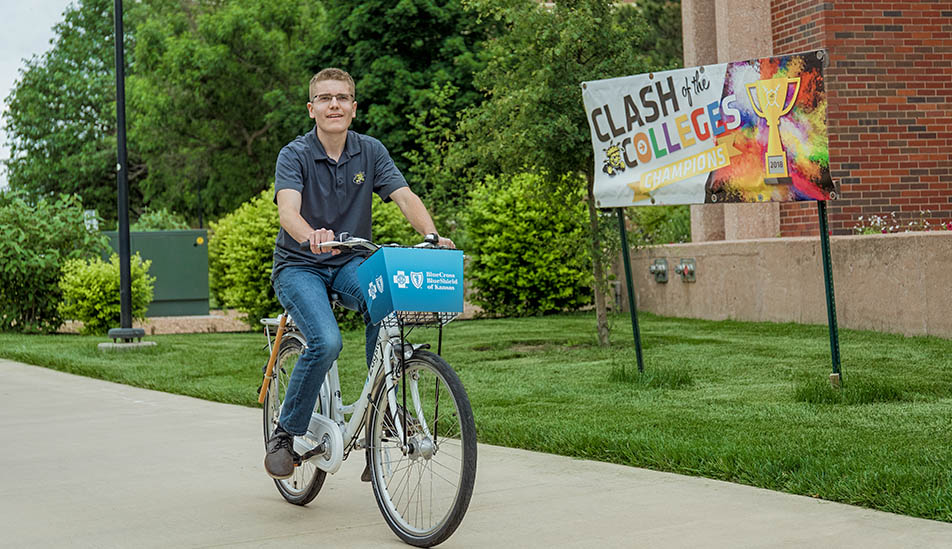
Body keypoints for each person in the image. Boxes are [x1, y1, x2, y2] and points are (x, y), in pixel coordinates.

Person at [264, 67, 453, 480]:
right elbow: (288, 212)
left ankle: (380, 416)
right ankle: (286, 432)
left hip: (347, 261)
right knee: (326, 340)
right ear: (311, 108)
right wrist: (311, 236)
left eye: (343, 98)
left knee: (386, 307)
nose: (335, 104)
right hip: (300, 264)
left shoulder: (370, 151)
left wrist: (433, 235)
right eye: (326, 98)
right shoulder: (294, 154)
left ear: (353, 107)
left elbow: (404, 196)